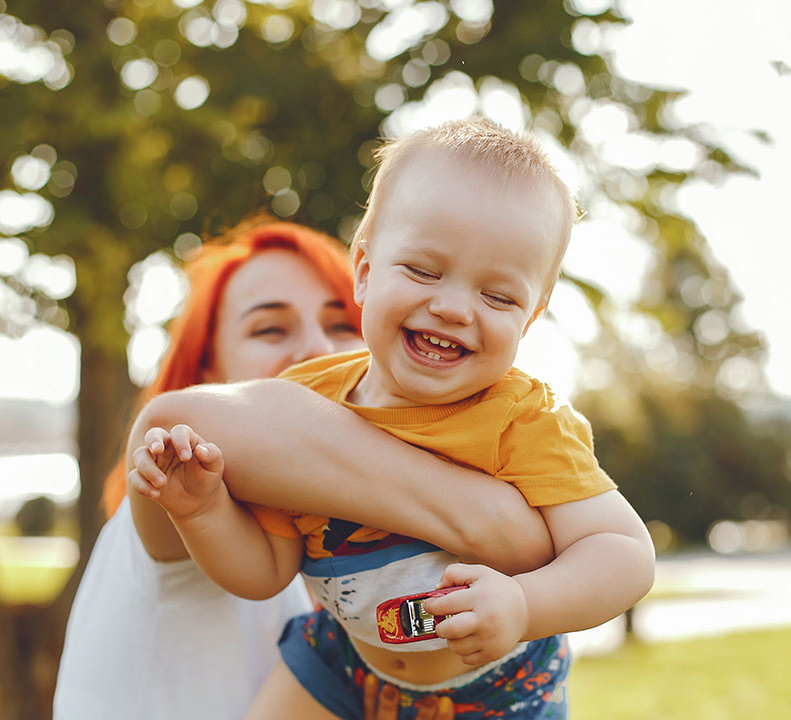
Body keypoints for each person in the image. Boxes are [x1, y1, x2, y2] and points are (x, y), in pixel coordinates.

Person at [127, 118, 656, 719]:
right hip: (347, 664)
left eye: (499, 297)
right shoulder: (301, 410)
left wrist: (524, 605)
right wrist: (202, 510)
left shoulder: (522, 421)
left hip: (493, 690)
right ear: (364, 270)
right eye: (424, 271)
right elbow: (265, 572)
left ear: (530, 319)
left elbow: (622, 552)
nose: (454, 307)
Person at [54, 216, 555, 720]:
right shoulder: (173, 490)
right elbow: (171, 419)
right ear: (207, 373)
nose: (317, 349)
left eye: (342, 324)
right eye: (269, 328)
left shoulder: (324, 534)